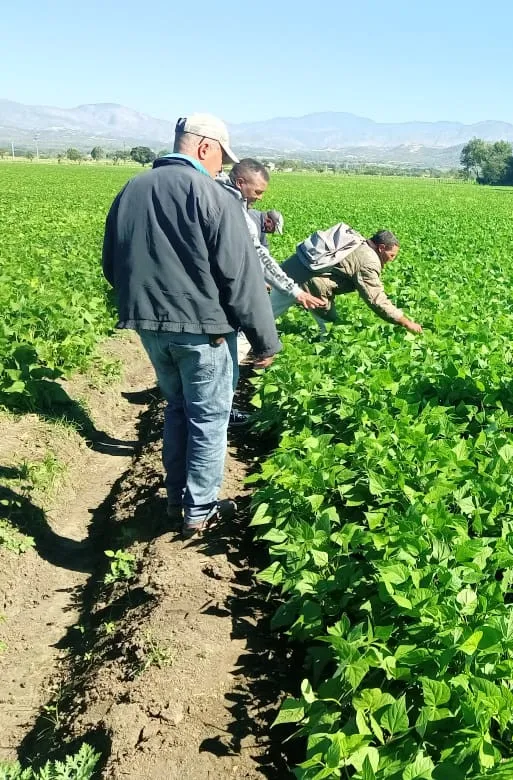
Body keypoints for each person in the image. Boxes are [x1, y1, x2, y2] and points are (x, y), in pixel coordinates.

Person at [101, 113, 281, 537]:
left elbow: (113, 264)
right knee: (209, 418)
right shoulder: (212, 195)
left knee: (178, 407)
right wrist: (264, 341)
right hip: (204, 330)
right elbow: (241, 277)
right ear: (204, 148)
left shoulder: (132, 188)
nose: (221, 168)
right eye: (220, 158)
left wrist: (146, 306)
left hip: (149, 327)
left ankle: (176, 498)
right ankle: (199, 510)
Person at [215, 159, 324, 425]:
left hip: (176, 303)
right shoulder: (231, 209)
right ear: (240, 183)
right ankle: (218, 417)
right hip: (213, 306)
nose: (259, 197)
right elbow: (258, 258)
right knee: (220, 369)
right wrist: (293, 291)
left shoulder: (215, 196)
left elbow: (259, 256)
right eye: (258, 191)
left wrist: (295, 291)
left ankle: (208, 416)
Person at [272, 226, 422, 335]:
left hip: (297, 275)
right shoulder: (369, 260)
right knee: (331, 329)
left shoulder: (358, 242)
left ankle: (252, 334)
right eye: (391, 255)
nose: (392, 260)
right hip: (310, 285)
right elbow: (376, 299)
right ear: (381, 248)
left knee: (265, 312)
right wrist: (405, 322)